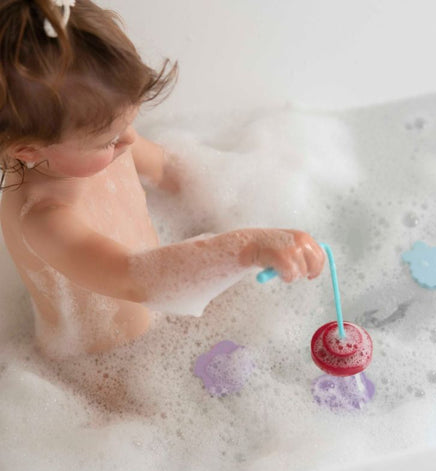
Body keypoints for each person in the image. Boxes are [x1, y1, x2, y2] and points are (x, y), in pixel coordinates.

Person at [0, 0, 325, 360]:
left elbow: (169, 171)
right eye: (108, 139)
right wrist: (246, 246)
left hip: (161, 315)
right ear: (28, 151)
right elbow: (130, 277)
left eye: (128, 123)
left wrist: (236, 203)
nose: (129, 139)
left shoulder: (101, 145)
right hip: (101, 361)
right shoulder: (43, 218)